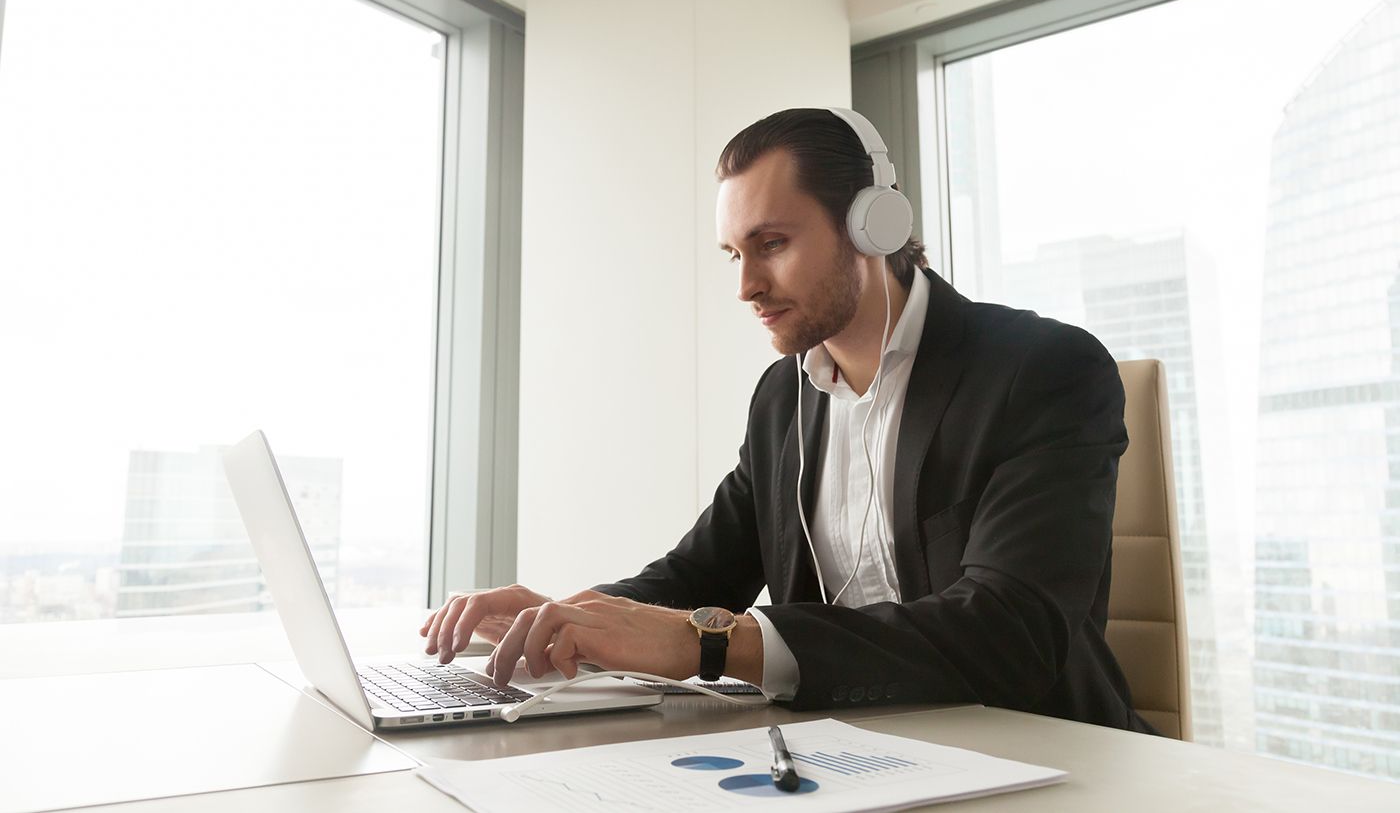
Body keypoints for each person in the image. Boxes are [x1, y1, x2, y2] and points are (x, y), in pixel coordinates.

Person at [420, 107, 1153, 734]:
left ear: (872, 224)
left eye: (771, 244)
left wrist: (714, 645)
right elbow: (698, 575)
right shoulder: (784, 398)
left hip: (1043, 756)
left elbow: (1010, 632)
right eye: (735, 253)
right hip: (849, 756)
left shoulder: (1042, 370)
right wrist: (562, 616)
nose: (745, 285)